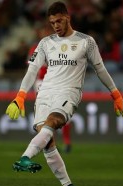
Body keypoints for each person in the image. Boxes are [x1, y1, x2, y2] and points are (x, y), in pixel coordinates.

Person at [6, 1, 123, 186]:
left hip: (69, 92)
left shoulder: (86, 42)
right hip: (44, 92)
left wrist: (116, 94)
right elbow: (32, 70)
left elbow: (101, 70)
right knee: (47, 141)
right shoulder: (45, 43)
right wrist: (20, 96)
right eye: (52, 22)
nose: (56, 25)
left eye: (59, 21)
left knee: (53, 121)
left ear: (68, 18)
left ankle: (25, 157)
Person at [28, 25, 72, 153]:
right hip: (42, 83)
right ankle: (49, 143)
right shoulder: (36, 48)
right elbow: (32, 64)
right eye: (44, 31)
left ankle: (67, 141)